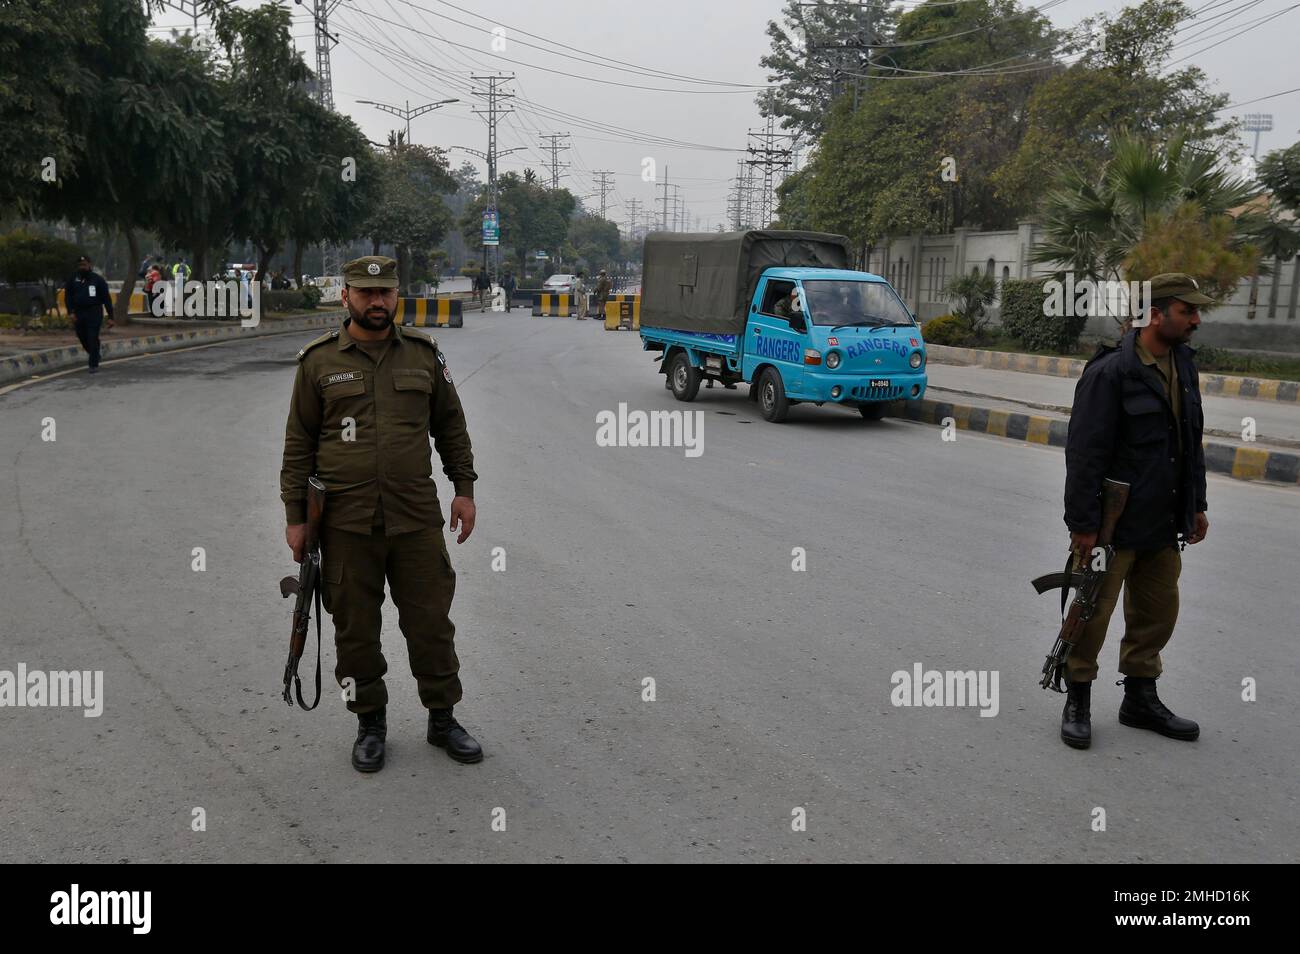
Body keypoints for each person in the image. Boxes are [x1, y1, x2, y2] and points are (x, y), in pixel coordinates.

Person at [280, 255, 482, 774]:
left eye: (386, 293)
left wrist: (463, 489)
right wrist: (296, 518)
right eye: (366, 293)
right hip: (346, 525)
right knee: (355, 631)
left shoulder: (422, 355)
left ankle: (443, 719)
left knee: (431, 622)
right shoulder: (318, 363)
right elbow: (298, 446)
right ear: (345, 295)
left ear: (396, 295)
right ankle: (370, 723)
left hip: (415, 519)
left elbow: (451, 428)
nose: (377, 302)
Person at [1059, 273, 1212, 750]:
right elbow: (1084, 453)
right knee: (1092, 613)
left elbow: (1190, 443)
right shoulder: (1110, 373)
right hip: (1111, 528)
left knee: (1157, 612)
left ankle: (1140, 698)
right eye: (1188, 311)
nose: (1196, 320)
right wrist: (1083, 526)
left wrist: (1197, 506)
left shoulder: (1183, 365)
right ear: (1157, 314)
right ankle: (1078, 697)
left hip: (1164, 521)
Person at [63, 255, 114, 373]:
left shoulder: (97, 279)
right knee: (82, 337)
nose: (82, 267)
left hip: (94, 312)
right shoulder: (73, 279)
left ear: (89, 265)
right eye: (80, 265)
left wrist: (111, 317)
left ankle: (93, 364)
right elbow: (68, 297)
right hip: (78, 312)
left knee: (92, 337)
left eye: (84, 265)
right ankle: (95, 353)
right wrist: (70, 312)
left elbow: (106, 299)